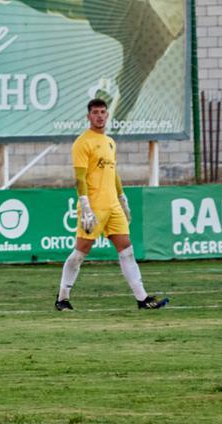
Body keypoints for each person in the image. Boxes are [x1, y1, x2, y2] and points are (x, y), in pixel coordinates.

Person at [55, 98, 168, 311]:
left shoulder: (110, 142)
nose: (99, 115)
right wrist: (85, 206)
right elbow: (79, 178)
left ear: (107, 115)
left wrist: (122, 198)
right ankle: (62, 298)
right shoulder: (82, 142)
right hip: (94, 206)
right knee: (81, 252)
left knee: (126, 249)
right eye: (95, 112)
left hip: (113, 205)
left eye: (103, 112)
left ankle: (142, 299)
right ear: (88, 116)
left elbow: (113, 172)